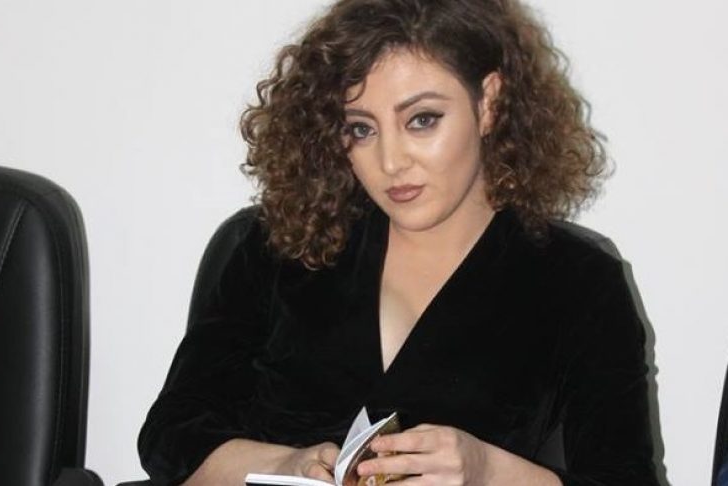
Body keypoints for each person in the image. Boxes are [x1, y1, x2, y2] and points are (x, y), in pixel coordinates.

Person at [138, 0, 662, 484]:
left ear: (488, 104)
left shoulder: (577, 281)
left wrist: (488, 471)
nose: (390, 162)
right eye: (361, 129)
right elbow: (171, 436)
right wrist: (285, 464)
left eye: (422, 121)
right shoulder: (279, 244)